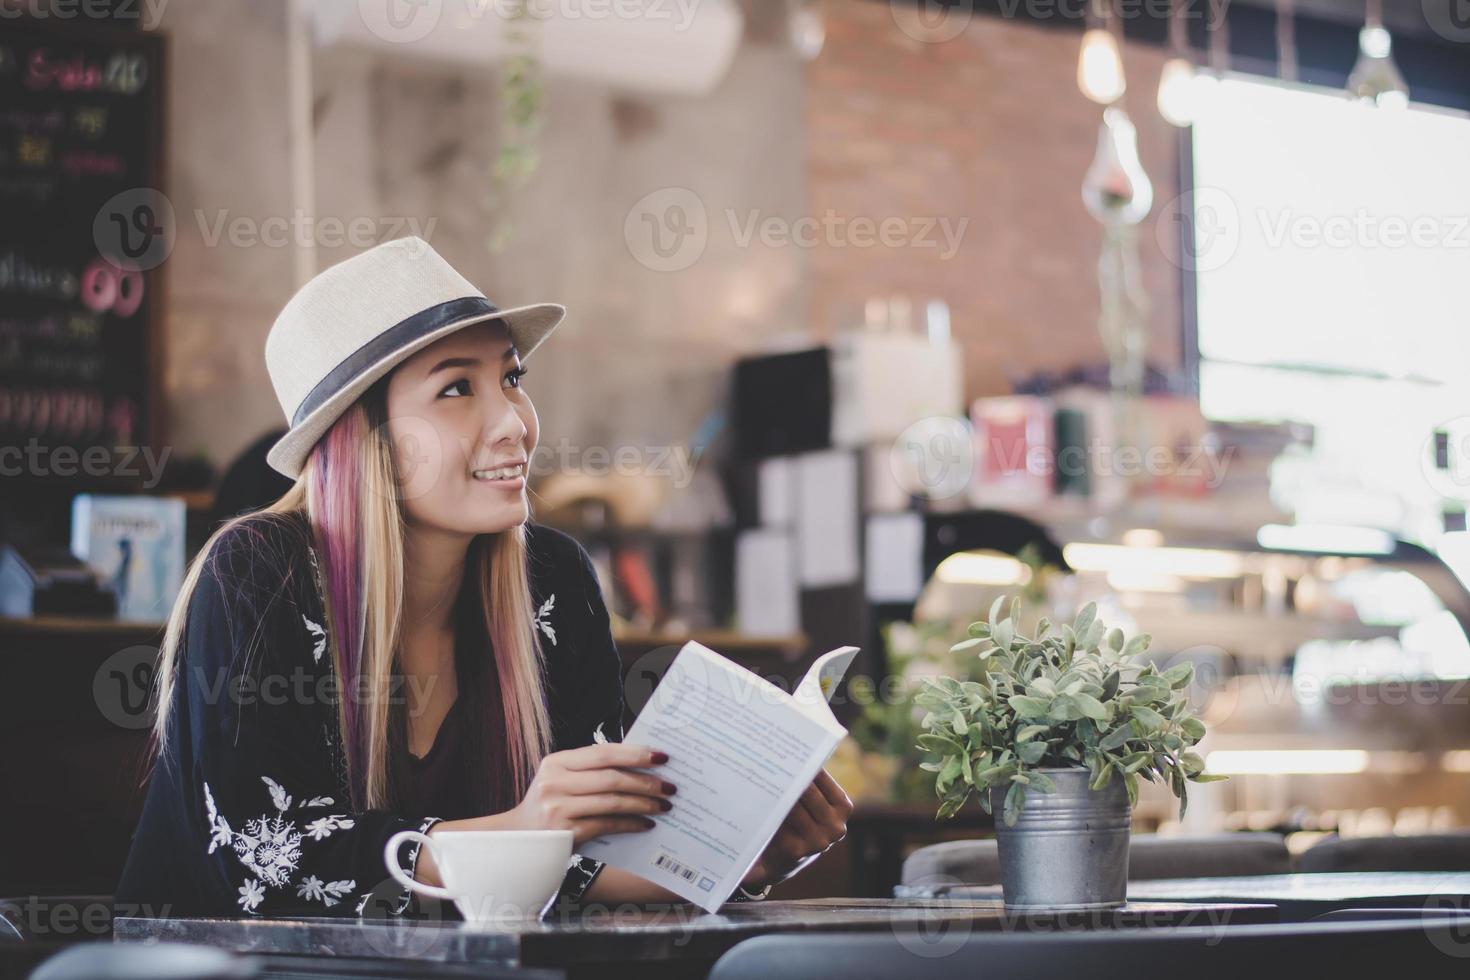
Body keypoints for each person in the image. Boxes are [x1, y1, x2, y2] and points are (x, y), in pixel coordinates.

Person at [115, 237, 852, 918]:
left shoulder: (552, 579)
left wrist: (743, 858)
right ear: (363, 440)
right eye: (456, 389)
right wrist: (521, 830)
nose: (514, 423)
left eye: (510, 378)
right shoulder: (256, 572)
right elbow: (267, 863)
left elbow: (582, 864)